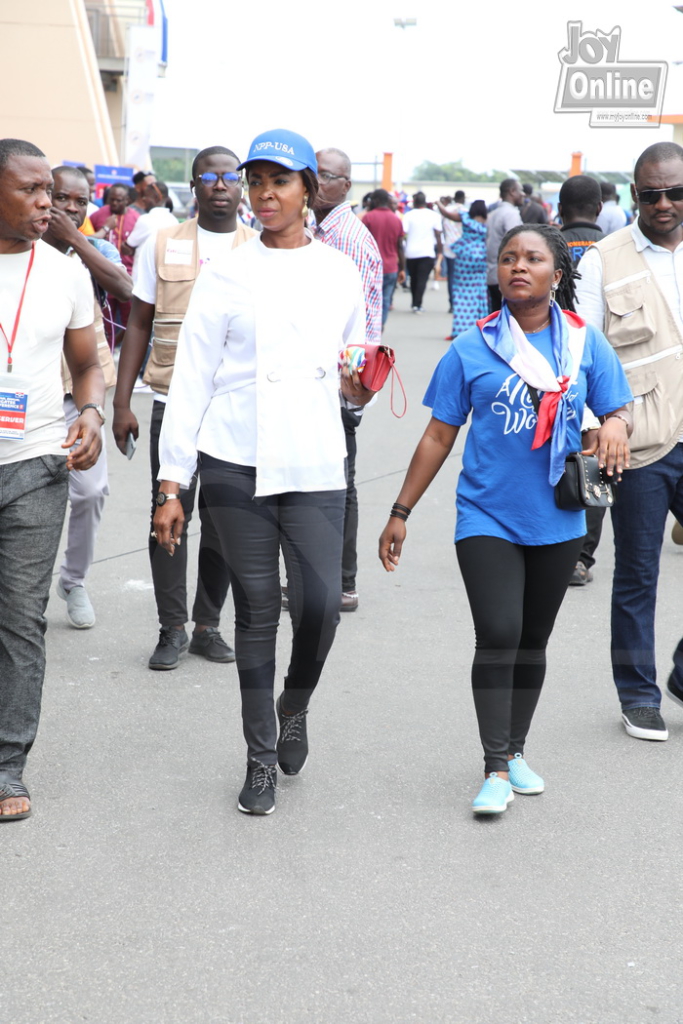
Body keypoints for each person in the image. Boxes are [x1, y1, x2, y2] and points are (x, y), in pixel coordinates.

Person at [153, 128, 371, 816]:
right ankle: (259, 756)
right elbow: (191, 380)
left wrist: (358, 386)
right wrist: (171, 482)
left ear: (309, 189)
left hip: (312, 459)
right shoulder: (226, 273)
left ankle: (294, 705)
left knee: (316, 609)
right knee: (255, 613)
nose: (263, 194)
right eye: (256, 182)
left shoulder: (339, 271)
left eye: (279, 181)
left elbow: (353, 365)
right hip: (232, 460)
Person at [379, 224, 633, 815]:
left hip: (560, 518)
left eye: (534, 258)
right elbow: (440, 434)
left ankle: (516, 751)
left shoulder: (583, 343)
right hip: (487, 515)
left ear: (558, 273)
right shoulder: (473, 347)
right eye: (510, 257)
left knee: (533, 640)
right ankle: (495, 765)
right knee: (498, 633)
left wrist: (616, 424)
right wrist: (400, 512)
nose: (518, 266)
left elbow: (617, 408)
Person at [113, 146, 254, 670]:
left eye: (229, 177)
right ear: (192, 186)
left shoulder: (258, 248)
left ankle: (207, 625)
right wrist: (122, 401)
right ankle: (171, 628)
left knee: (224, 522)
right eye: (208, 176)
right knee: (168, 515)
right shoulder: (162, 242)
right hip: (172, 403)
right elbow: (139, 324)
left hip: (234, 410)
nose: (220, 185)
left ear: (241, 186)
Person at [0, 138, 105, 821]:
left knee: (19, 622)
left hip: (36, 464)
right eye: (31, 190)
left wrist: (91, 408)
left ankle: (7, 766)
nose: (48, 204)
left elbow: (86, 361)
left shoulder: (67, 272)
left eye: (50, 190)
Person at [575, 141, 683, 742]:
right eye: (651, 194)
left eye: (675, 192)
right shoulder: (604, 260)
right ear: (633, 193)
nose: (664, 204)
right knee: (639, 573)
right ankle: (638, 695)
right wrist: (603, 421)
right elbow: (587, 352)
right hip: (639, 441)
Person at [43, 166, 131, 628]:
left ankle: (73, 581)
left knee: (92, 490)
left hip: (82, 394)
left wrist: (74, 240)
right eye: (61, 198)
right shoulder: (20, 245)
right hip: (32, 394)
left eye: (80, 202)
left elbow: (125, 288)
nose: (70, 209)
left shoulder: (95, 249)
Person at [312, 146, 383, 612]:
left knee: (339, 480)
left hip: (337, 381)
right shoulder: (312, 231)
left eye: (326, 175)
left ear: (345, 186)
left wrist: (350, 390)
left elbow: (363, 325)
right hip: (309, 376)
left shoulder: (349, 239)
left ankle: (343, 582)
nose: (316, 182)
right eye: (311, 173)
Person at [557, 175, 606, 587]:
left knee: (556, 456)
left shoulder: (545, 246)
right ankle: (581, 558)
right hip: (601, 369)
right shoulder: (612, 251)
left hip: (553, 371)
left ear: (558, 208)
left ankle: (550, 546)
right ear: (601, 208)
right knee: (595, 462)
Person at [437, 199, 488, 339]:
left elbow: (447, 214)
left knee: (461, 293)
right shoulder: (488, 222)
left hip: (465, 256)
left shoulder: (465, 218)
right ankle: (479, 328)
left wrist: (438, 203)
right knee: (480, 293)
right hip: (482, 256)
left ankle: (459, 329)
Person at [362, 188, 405, 326]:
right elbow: (400, 247)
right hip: (391, 267)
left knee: (368, 301)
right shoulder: (396, 219)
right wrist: (402, 269)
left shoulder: (368, 217)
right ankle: (379, 329)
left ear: (376, 201)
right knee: (385, 301)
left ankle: (370, 330)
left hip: (371, 267)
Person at [125, 180, 177, 281]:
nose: (143, 199)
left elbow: (128, 246)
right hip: (165, 278)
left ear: (157, 198)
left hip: (142, 279)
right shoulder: (174, 221)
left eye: (146, 196)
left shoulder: (146, 219)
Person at [486, 179, 524, 312]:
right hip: (506, 277)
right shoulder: (510, 214)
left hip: (492, 274)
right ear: (512, 192)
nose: (523, 194)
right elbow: (517, 244)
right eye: (520, 191)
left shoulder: (493, 213)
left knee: (497, 316)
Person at [402, 191, 442, 313]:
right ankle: (417, 304)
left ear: (414, 202)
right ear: (425, 202)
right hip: (427, 252)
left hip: (411, 252)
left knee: (413, 278)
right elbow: (438, 235)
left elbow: (404, 233)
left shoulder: (408, 215)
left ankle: (415, 302)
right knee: (422, 279)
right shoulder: (434, 215)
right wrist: (440, 252)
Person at [440, 190, 466, 312]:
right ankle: (461, 302)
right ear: (463, 198)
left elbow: (443, 229)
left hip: (449, 246)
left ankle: (452, 303)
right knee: (462, 277)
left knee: (451, 276)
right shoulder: (466, 211)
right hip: (463, 248)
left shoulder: (447, 210)